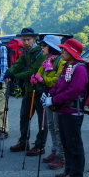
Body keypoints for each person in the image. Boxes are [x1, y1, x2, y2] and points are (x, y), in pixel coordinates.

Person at [41, 38, 89, 177]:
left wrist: (54, 100)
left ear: (72, 52)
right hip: (64, 110)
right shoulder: (68, 66)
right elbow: (59, 84)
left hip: (73, 111)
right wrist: (50, 94)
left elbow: (74, 91)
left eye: (64, 50)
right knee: (67, 142)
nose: (61, 51)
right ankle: (69, 170)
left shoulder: (80, 68)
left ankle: (76, 175)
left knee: (74, 143)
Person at [5, 28, 47, 155]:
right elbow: (18, 64)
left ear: (35, 39)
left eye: (28, 39)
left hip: (40, 91)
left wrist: (15, 75)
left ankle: (40, 145)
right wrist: (10, 71)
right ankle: (24, 142)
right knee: (24, 117)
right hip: (28, 91)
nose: (26, 42)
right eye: (24, 40)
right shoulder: (26, 53)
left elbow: (33, 71)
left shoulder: (41, 54)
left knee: (42, 120)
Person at [30, 35, 67, 169]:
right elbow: (39, 73)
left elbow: (59, 81)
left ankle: (61, 156)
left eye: (44, 45)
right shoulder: (47, 61)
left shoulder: (60, 62)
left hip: (56, 99)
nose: (42, 48)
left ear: (51, 47)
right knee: (51, 125)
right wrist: (35, 77)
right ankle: (54, 152)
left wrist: (43, 80)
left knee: (57, 127)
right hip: (47, 97)